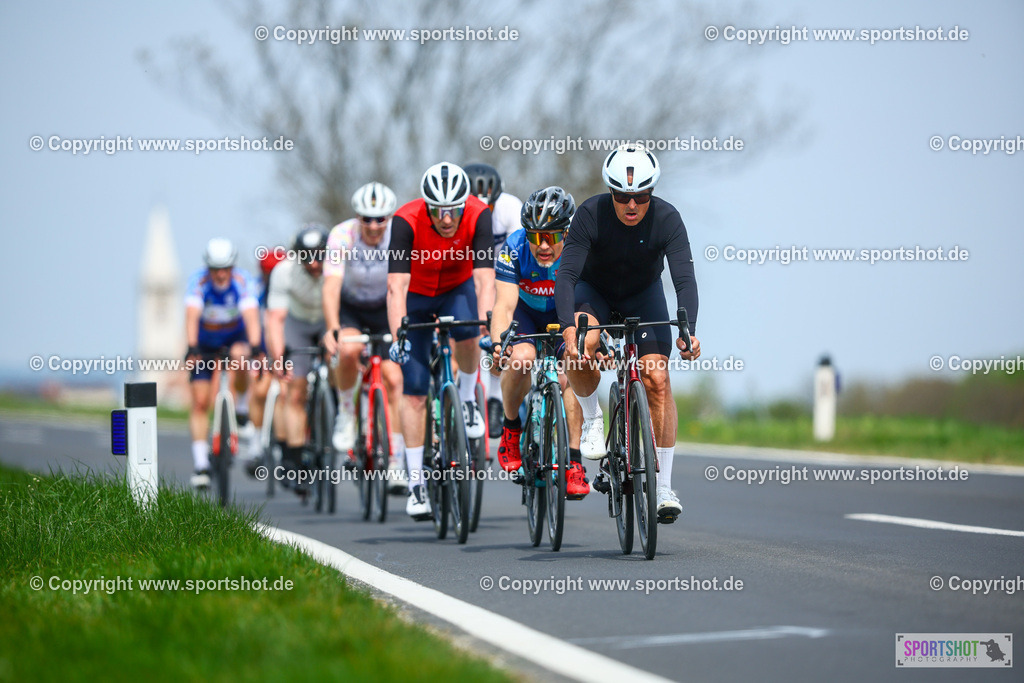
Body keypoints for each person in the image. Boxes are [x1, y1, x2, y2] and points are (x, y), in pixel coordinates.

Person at [555, 143, 701, 524]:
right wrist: (570, 329)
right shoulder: (590, 214)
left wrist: (689, 331)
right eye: (622, 196)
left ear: (651, 192)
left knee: (657, 378)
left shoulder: (668, 218)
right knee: (580, 347)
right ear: (611, 192)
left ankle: (663, 486)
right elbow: (567, 275)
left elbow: (684, 279)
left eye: (640, 196)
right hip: (595, 293)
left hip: (643, 295)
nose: (631, 205)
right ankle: (591, 417)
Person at [386, 161, 495, 520]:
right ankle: (416, 484)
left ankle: (467, 399)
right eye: (438, 211)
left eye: (453, 210)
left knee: (468, 329)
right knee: (415, 390)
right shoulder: (405, 221)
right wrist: (398, 332)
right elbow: (395, 286)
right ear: (426, 205)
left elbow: (484, 279)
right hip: (415, 296)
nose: (447, 219)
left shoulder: (479, 214)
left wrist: (490, 326)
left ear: (465, 204)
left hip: (456, 288)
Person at [489, 186, 589, 499]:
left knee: (573, 369)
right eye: (535, 236)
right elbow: (504, 305)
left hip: (565, 316)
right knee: (520, 359)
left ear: (567, 233)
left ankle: (574, 462)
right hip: (526, 315)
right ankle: (510, 428)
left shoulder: (582, 249)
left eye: (551, 236)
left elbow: (591, 303)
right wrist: (499, 344)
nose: (542, 245)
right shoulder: (513, 247)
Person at [322, 182, 406, 493]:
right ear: (357, 218)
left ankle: (395, 460)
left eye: (380, 219)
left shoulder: (400, 234)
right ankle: (346, 411)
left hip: (386, 307)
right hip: (352, 309)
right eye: (366, 219)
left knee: (395, 379)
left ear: (389, 217)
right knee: (346, 350)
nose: (373, 226)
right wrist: (333, 327)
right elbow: (331, 287)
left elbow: (409, 282)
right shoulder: (342, 235)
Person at [184, 238, 262, 489]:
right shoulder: (198, 281)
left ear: (232, 267)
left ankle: (240, 407)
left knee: (241, 358)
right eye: (215, 269)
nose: (220, 275)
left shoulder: (242, 281)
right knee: (199, 401)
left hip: (234, 337)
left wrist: (257, 345)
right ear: (208, 268)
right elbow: (192, 313)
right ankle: (200, 465)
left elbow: (251, 315)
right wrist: (192, 346)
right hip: (205, 342)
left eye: (225, 269)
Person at [264, 225, 328, 494]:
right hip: (297, 324)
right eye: (306, 257)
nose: (313, 264)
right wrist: (279, 358)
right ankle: (294, 458)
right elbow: (275, 319)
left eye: (319, 256)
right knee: (294, 389)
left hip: (326, 320)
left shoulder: (339, 266)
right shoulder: (284, 271)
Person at [464, 162, 523, 438]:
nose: (483, 214)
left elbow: (519, 256)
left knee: (502, 333)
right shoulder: (458, 216)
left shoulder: (511, 208)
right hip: (472, 277)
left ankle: (497, 397)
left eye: (489, 207)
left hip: (506, 276)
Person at [243, 245, 287, 477]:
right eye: (268, 273)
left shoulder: (290, 287)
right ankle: (256, 443)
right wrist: (257, 352)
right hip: (262, 347)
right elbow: (253, 324)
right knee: (259, 390)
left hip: (287, 346)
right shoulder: (255, 290)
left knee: (290, 391)